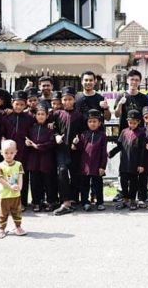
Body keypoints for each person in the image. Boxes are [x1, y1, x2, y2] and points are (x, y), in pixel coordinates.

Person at [53, 86, 85, 216]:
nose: (67, 102)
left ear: (74, 100)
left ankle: (73, 199)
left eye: (70, 99)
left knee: (75, 173)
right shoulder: (56, 114)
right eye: (65, 99)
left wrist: (78, 140)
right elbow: (51, 128)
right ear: (62, 100)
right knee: (62, 171)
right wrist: (55, 136)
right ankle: (65, 202)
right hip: (61, 149)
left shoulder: (79, 116)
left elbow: (83, 132)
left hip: (75, 149)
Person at [2, 90, 35, 209]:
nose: (19, 106)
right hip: (9, 152)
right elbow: (2, 132)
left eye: (22, 104)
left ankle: (22, 202)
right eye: (17, 104)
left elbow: (33, 133)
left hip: (24, 151)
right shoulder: (6, 116)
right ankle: (9, 201)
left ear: (25, 104)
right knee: (9, 176)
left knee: (22, 176)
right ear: (12, 103)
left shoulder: (30, 118)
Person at [108, 109, 145, 211]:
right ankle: (125, 200)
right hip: (124, 163)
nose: (132, 125)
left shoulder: (142, 133)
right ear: (127, 121)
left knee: (133, 183)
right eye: (130, 122)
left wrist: (141, 164)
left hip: (135, 163)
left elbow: (142, 150)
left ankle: (133, 200)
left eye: (134, 123)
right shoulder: (124, 132)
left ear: (139, 122)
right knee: (123, 182)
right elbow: (119, 146)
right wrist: (111, 153)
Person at [73, 109, 108, 211]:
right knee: (84, 185)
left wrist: (103, 166)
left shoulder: (102, 135)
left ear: (99, 123)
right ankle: (85, 202)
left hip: (97, 165)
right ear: (87, 123)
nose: (92, 123)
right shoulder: (83, 134)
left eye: (95, 121)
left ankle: (100, 202)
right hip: (85, 165)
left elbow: (104, 152)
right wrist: (75, 143)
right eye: (90, 121)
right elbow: (79, 149)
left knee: (98, 184)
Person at [25, 104, 55, 212]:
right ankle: (36, 202)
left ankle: (50, 201)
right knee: (34, 181)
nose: (41, 116)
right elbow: (26, 138)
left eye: (43, 114)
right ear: (35, 116)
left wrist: (40, 146)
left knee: (48, 181)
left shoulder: (50, 128)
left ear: (47, 116)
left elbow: (52, 142)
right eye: (38, 114)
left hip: (46, 158)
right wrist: (27, 142)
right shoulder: (31, 128)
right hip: (33, 159)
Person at [0, 140, 27, 239]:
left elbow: (20, 177)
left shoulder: (19, 164)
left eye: (11, 153)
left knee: (17, 212)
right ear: (1, 152)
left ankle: (18, 227)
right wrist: (10, 186)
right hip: (4, 195)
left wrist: (19, 187)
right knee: (3, 213)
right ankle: (1, 229)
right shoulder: (0, 166)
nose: (9, 155)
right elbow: (0, 179)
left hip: (16, 195)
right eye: (6, 153)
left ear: (16, 152)